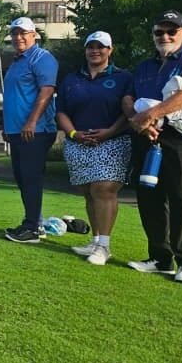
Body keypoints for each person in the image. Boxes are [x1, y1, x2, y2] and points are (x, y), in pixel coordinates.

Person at [126, 10, 182, 285]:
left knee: (181, 200)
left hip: (179, 139)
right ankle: (160, 258)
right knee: (149, 199)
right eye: (159, 32)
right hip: (145, 137)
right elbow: (129, 97)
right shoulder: (143, 66)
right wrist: (136, 120)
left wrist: (153, 114)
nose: (165, 36)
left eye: (171, 31)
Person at [56, 31, 135, 266]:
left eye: (101, 47)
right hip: (78, 142)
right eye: (91, 46)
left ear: (110, 50)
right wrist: (73, 134)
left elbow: (128, 111)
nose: (95, 51)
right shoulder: (72, 79)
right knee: (89, 191)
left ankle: (104, 246)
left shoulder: (123, 77)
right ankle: (95, 240)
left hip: (113, 140)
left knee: (104, 189)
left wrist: (109, 132)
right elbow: (61, 111)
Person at [2, 17, 60, 244]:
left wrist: (31, 121)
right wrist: (9, 128)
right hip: (18, 131)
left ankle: (32, 228)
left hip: (36, 130)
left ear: (34, 34)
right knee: (22, 178)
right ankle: (35, 223)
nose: (18, 37)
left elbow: (47, 91)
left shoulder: (42, 58)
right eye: (15, 34)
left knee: (30, 177)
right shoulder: (17, 61)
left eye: (23, 33)